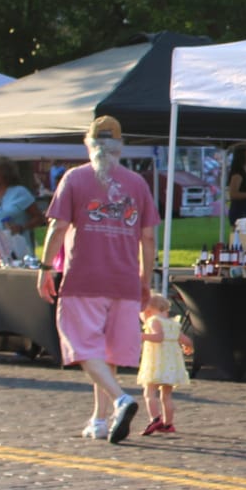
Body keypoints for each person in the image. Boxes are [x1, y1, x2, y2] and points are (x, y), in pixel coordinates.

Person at [38, 116, 153, 444]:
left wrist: (46, 267)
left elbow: (57, 228)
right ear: (120, 148)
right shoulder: (138, 183)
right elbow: (148, 237)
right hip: (125, 279)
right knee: (109, 352)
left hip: (84, 278)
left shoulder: (74, 178)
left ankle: (120, 399)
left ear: (89, 145)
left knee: (80, 343)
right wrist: (145, 277)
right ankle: (100, 420)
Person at [136, 291, 192, 436]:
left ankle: (155, 418)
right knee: (166, 396)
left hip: (157, 362)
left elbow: (158, 337)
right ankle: (168, 424)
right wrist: (188, 347)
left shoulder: (153, 321)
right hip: (171, 364)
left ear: (147, 310)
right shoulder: (173, 324)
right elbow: (186, 340)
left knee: (149, 392)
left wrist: (141, 335)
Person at [0, 155, 45, 264]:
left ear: (6, 173)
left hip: (18, 249)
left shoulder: (20, 192)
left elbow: (39, 218)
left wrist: (22, 227)